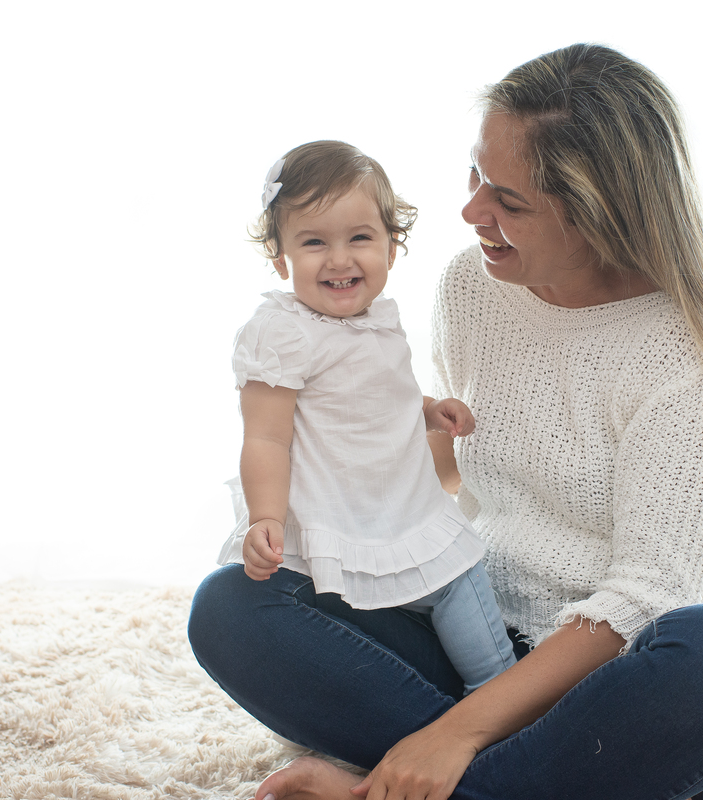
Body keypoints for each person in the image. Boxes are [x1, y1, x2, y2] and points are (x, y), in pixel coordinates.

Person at [189, 44, 703, 800]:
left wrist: (454, 733)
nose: (472, 211)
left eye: (508, 201)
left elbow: (646, 599)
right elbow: (475, 466)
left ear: (599, 214)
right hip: (476, 639)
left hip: (624, 688)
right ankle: (508, 785)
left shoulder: (695, 357)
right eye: (476, 176)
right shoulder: (472, 286)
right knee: (234, 605)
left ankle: (440, 779)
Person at [216, 140, 515, 696]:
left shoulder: (381, 317)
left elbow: (382, 395)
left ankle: (495, 693)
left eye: (360, 238)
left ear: (391, 248)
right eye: (313, 242)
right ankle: (424, 703)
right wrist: (265, 517)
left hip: (404, 509)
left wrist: (430, 410)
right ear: (280, 258)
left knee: (458, 577)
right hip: (334, 516)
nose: (339, 258)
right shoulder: (282, 331)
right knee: (315, 608)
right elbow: (264, 438)